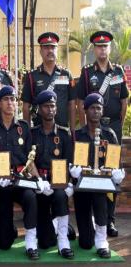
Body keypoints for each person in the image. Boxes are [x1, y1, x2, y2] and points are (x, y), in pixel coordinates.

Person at [76, 31, 129, 237]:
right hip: (91, 130)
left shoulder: (118, 72)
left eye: (105, 46)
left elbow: (124, 101)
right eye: (98, 46)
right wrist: (84, 125)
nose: (102, 50)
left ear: (110, 49)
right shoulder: (88, 73)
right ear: (94, 50)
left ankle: (110, 220)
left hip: (112, 130)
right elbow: (81, 102)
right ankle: (93, 217)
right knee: (90, 170)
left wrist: (118, 126)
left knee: (112, 174)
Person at [0, 85, 42, 260]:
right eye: (6, 99)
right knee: (3, 244)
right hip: (2, 182)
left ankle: (31, 241)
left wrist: (38, 179)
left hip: (21, 179)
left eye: (12, 99)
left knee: (30, 198)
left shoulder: (24, 127)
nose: (10, 103)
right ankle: (8, 230)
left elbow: (30, 158)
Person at [71, 93, 125, 258]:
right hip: (82, 188)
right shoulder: (77, 136)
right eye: (92, 108)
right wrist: (74, 170)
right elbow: (69, 161)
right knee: (86, 243)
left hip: (102, 188)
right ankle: (91, 226)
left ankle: (102, 239)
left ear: (102, 111)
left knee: (100, 196)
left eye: (98, 108)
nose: (95, 111)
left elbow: (115, 162)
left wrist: (116, 173)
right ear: (85, 111)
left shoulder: (109, 135)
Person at [31, 90, 74, 259]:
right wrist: (39, 181)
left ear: (56, 109)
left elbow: (68, 162)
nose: (50, 109)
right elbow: (30, 161)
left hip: (57, 181)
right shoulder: (32, 134)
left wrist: (68, 183)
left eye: (52, 106)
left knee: (61, 197)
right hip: (40, 183)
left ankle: (63, 241)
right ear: (40, 109)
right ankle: (56, 229)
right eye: (46, 106)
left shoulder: (64, 134)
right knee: (45, 242)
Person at [21, 32, 76, 131]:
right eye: (46, 47)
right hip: (39, 131)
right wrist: (27, 131)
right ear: (40, 51)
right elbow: (26, 106)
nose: (50, 50)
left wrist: (72, 131)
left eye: (53, 47)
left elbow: (72, 104)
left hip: (62, 130)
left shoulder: (66, 74)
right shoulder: (31, 76)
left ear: (57, 50)